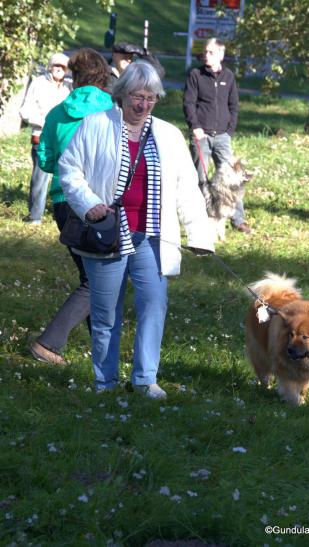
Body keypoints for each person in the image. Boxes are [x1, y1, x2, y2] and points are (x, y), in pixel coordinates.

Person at [58, 60, 214, 397]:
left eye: (150, 98)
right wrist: (89, 205)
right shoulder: (95, 125)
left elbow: (187, 188)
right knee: (105, 315)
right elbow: (69, 171)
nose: (142, 105)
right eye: (136, 97)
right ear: (122, 94)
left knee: (154, 305)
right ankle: (105, 381)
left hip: (152, 238)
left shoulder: (169, 135)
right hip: (107, 234)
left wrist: (200, 236)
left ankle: (145, 379)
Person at [30, 49, 113, 365]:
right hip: (95, 203)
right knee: (97, 281)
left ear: (75, 76)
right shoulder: (110, 110)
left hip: (63, 204)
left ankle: (105, 352)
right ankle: (48, 343)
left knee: (93, 275)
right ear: (103, 76)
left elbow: (46, 161)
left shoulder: (55, 112)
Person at [183, 37, 251, 234]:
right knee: (199, 178)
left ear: (221, 54)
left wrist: (229, 130)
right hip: (201, 135)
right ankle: (199, 218)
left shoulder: (228, 76)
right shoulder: (195, 75)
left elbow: (234, 106)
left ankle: (238, 219)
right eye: (205, 52)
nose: (206, 55)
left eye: (211, 52)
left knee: (234, 180)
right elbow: (189, 103)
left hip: (223, 136)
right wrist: (195, 126)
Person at [19, 53, 71, 224]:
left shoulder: (67, 88)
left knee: (64, 177)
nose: (59, 69)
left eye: (63, 67)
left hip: (62, 139)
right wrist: (45, 122)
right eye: (56, 65)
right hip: (40, 136)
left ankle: (62, 214)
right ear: (49, 66)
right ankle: (35, 216)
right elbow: (25, 110)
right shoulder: (38, 83)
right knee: (39, 178)